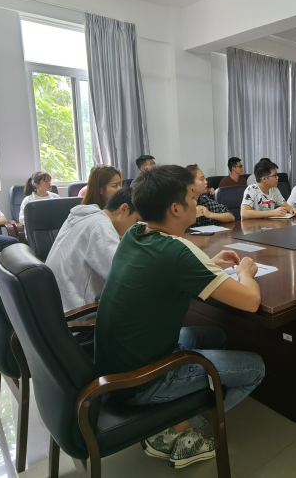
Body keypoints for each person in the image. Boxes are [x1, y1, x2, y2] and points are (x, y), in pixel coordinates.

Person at [95, 165, 265, 468]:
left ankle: (174, 416)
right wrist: (244, 273)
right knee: (256, 367)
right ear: (175, 208)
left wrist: (207, 264)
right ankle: (177, 426)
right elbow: (251, 301)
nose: (197, 201)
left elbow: (165, 270)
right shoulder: (178, 250)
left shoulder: (135, 233)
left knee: (215, 335)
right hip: (141, 381)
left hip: (115, 365)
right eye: (192, 196)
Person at [46, 187, 140, 311]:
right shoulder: (100, 226)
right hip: (77, 312)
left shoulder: (87, 217)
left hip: (53, 303)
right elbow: (124, 276)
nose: (136, 228)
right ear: (123, 209)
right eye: (137, 221)